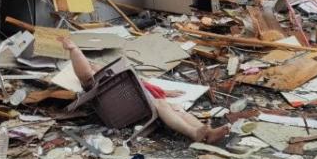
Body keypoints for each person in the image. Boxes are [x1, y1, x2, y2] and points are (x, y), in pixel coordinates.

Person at [59, 36, 230, 143]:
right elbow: (84, 73)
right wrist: (74, 50)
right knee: (162, 105)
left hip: (139, 101)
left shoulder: (114, 78)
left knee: (175, 107)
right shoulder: (94, 83)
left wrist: (164, 91)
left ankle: (207, 132)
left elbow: (141, 83)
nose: (93, 65)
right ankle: (194, 133)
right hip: (128, 111)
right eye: (91, 64)